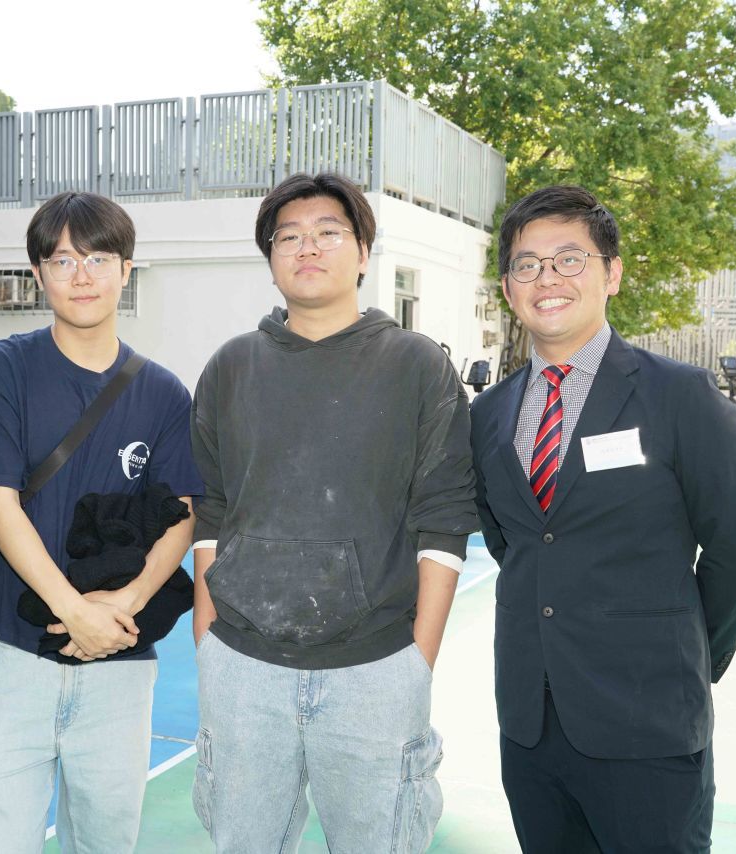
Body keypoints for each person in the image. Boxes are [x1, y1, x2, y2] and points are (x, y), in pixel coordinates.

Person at [469, 185, 736, 852]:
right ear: (508, 288)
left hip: (648, 720)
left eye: (569, 259)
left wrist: (685, 652)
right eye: (527, 264)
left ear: (612, 274)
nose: (548, 278)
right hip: (530, 726)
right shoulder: (487, 413)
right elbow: (514, 541)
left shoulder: (680, 396)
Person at [189, 172, 479, 853]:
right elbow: (211, 508)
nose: (307, 247)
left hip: (376, 671)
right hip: (242, 668)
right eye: (288, 236)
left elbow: (443, 517)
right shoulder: (232, 366)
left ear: (364, 253)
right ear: (270, 259)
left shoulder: (415, 364)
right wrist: (208, 638)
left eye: (328, 232)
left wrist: (416, 661)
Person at [0, 191, 204, 854]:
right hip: (8, 656)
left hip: (121, 658)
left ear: (126, 269)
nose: (82, 275)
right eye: (63, 260)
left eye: (98, 259)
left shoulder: (163, 393)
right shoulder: (1, 370)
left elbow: (183, 513)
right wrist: (76, 613)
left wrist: (125, 604)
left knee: (105, 842)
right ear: (38, 274)